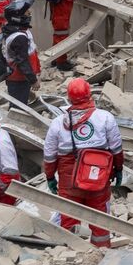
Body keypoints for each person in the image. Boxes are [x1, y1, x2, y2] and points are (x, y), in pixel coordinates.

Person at [43, 78, 123, 249]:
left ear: (69, 97)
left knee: (69, 220)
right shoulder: (105, 118)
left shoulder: (58, 123)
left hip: (68, 179)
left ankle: (69, 256)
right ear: (89, 94)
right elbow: (116, 148)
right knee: (101, 221)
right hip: (98, 177)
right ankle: (101, 255)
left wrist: (50, 177)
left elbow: (49, 155)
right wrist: (118, 169)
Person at [0, 0, 40, 105]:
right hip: (18, 79)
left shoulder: (19, 31)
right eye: (27, 12)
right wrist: (33, 80)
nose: (29, 13)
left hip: (19, 78)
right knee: (18, 107)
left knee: (20, 103)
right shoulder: (19, 37)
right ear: (18, 17)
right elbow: (22, 61)